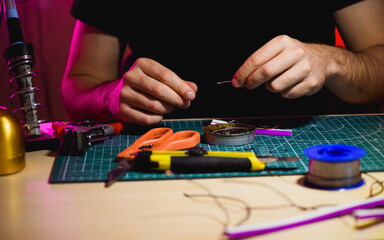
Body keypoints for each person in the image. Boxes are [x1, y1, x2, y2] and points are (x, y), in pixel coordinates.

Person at [62, 0, 384, 125]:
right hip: (157, 150)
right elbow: (78, 85)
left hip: (301, 155)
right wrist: (111, 98)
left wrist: (328, 61)